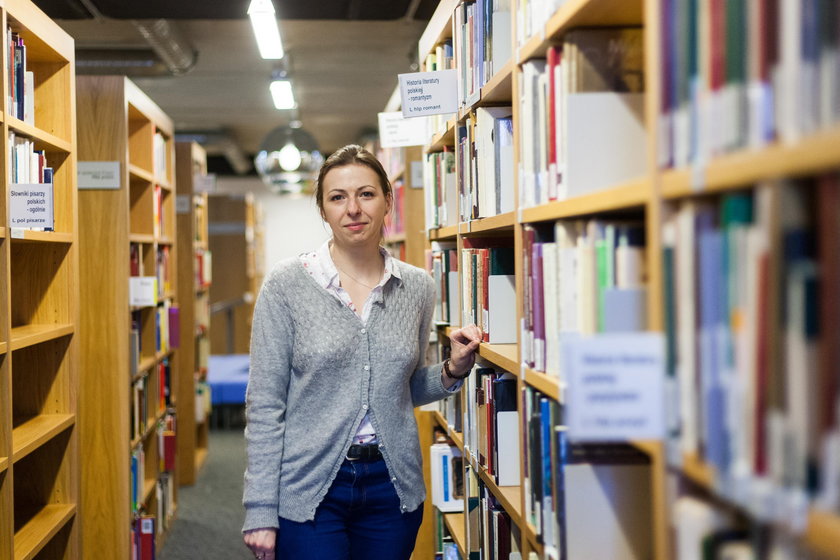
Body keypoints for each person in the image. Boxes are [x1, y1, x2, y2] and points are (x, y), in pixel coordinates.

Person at [242, 144, 482, 560]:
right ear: (323, 209)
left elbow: (400, 387)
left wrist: (450, 371)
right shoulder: (285, 286)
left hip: (392, 487)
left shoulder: (418, 286)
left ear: (389, 200)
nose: (353, 208)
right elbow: (264, 404)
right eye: (338, 197)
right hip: (309, 484)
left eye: (366, 194)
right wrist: (260, 509)